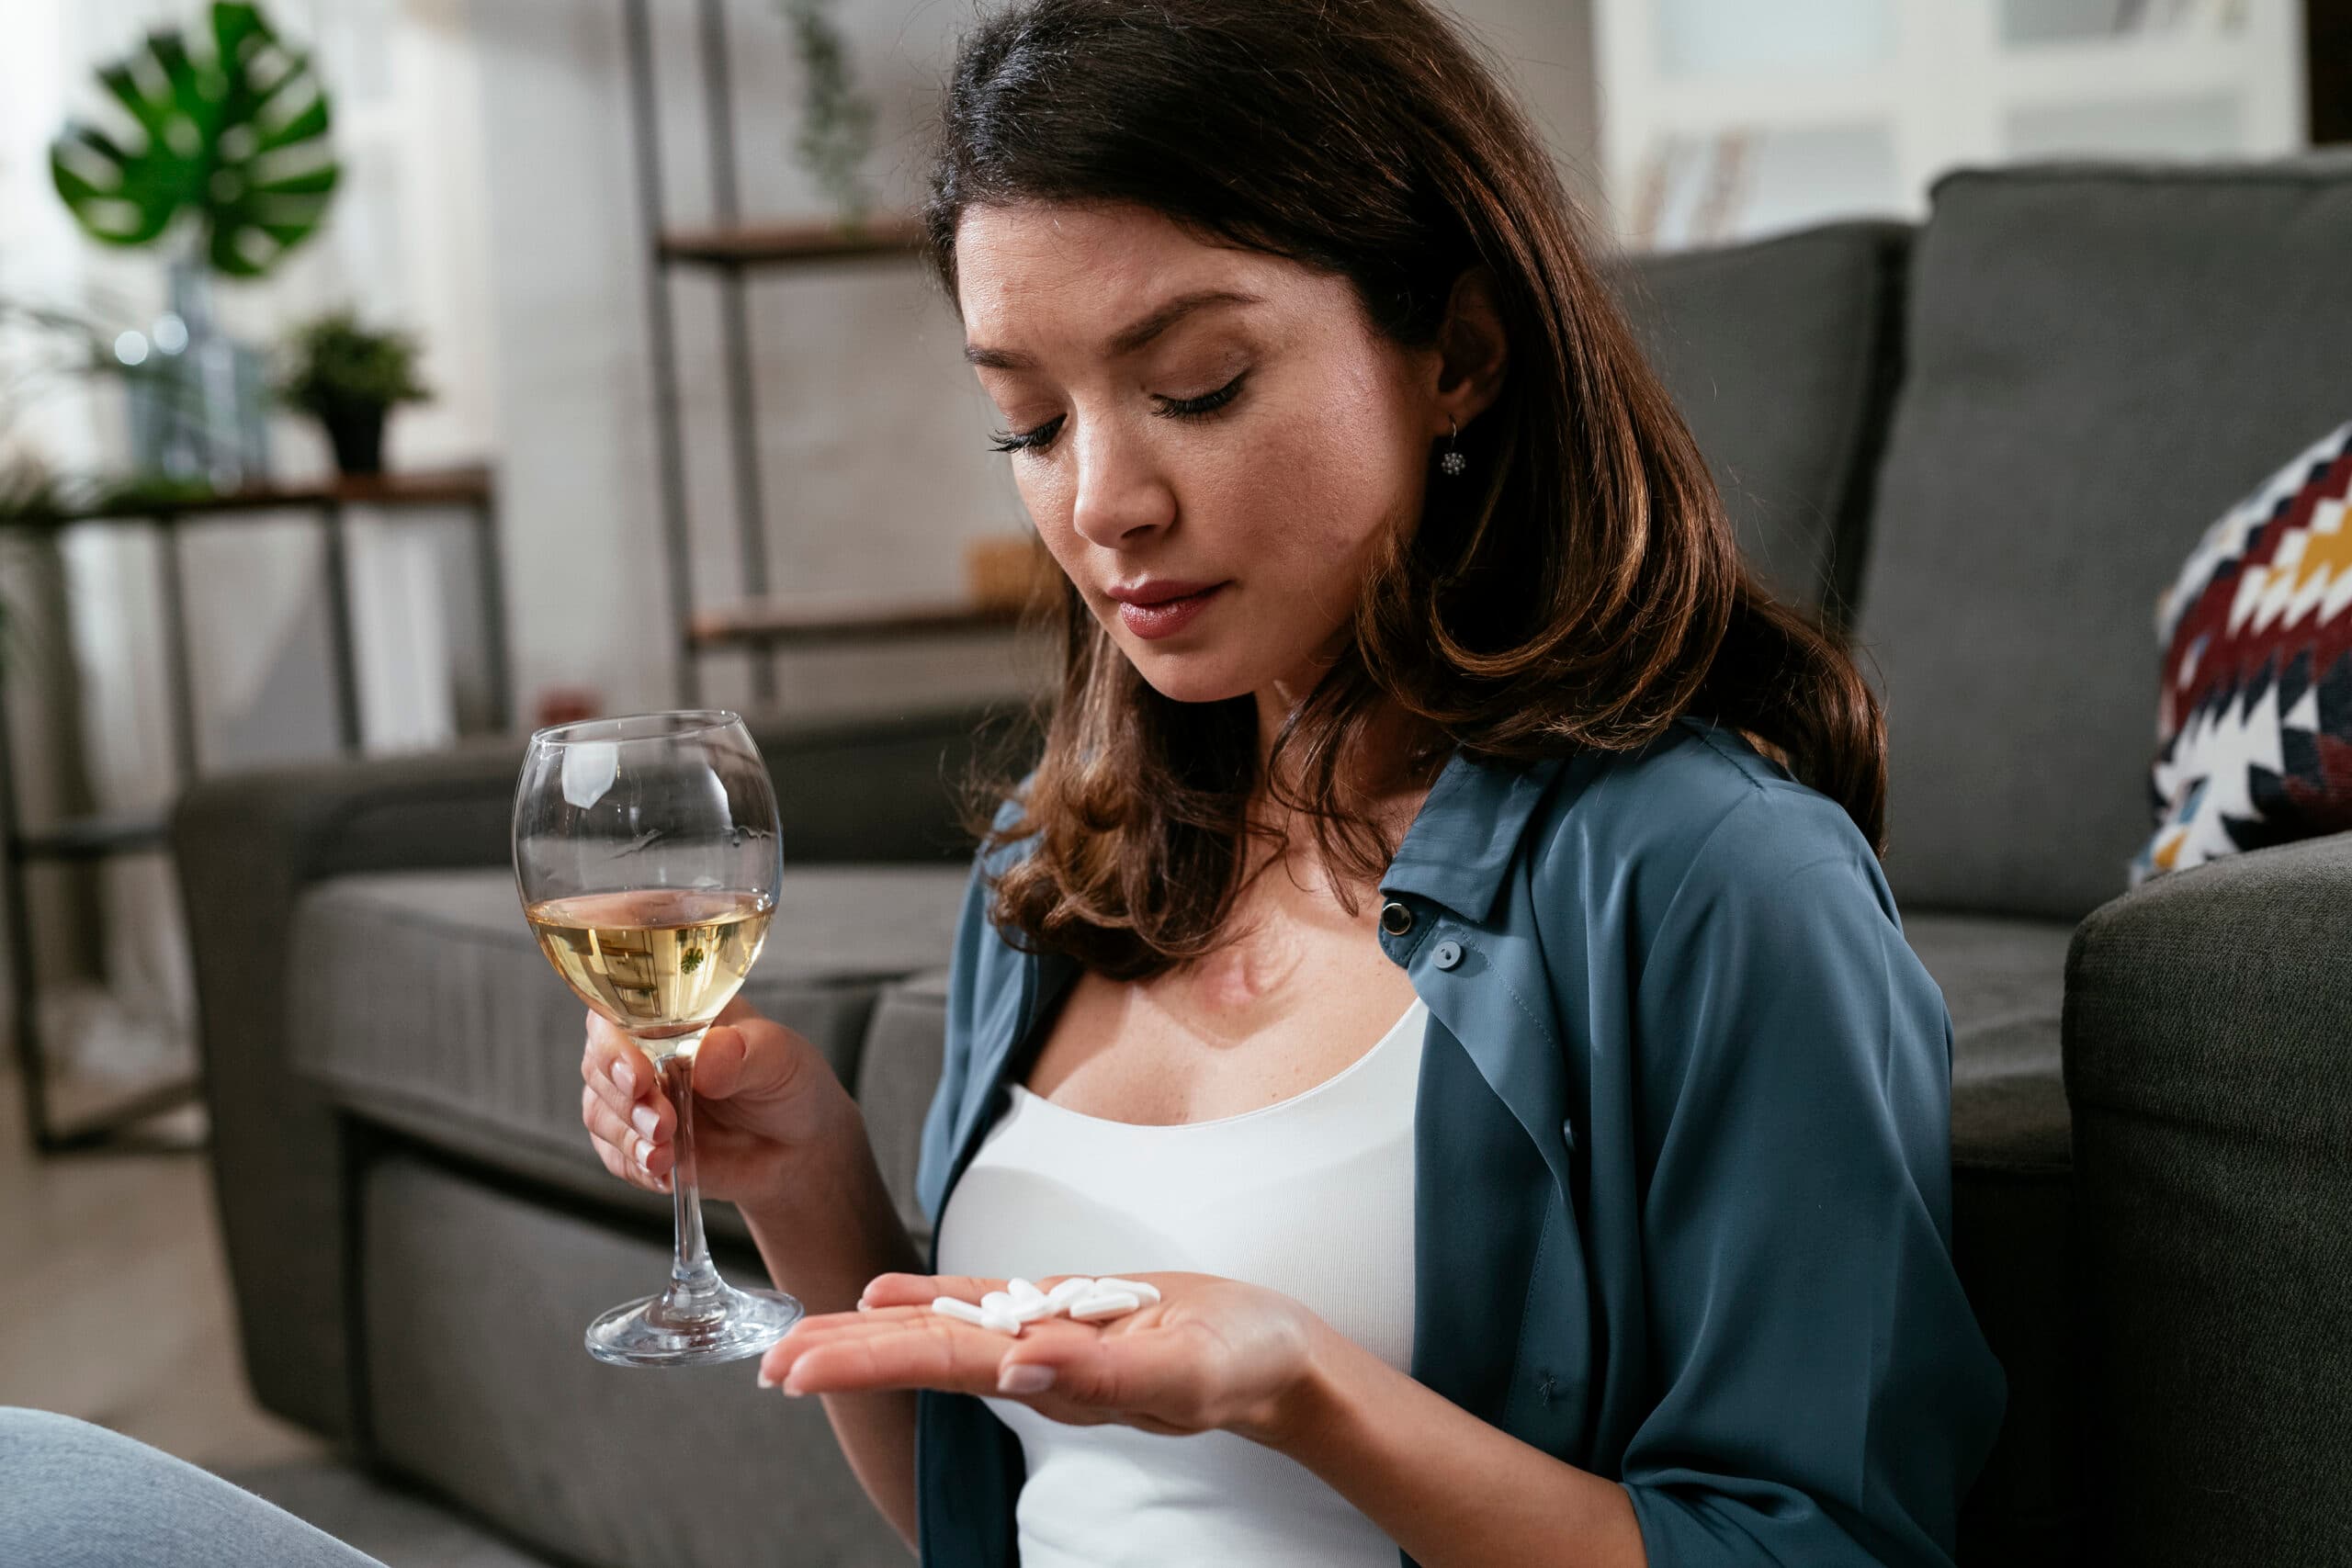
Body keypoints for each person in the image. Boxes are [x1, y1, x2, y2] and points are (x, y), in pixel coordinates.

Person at [0, 1, 2001, 1565]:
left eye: (1195, 384)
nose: (1103, 502)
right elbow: (991, 1516)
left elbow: (1816, 1539)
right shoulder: (1070, 861)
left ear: (1456, 350)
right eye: (1023, 423)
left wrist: (1301, 1386)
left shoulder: (1709, 876)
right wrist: (805, 1187)